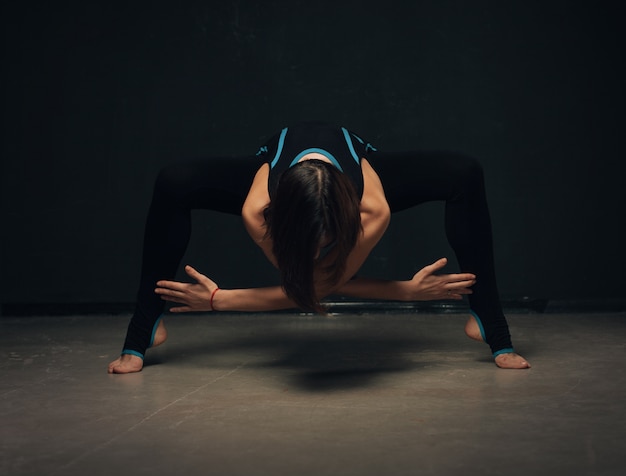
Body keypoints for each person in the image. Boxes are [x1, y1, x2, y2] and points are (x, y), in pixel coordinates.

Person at [108, 122, 530, 374]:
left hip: (354, 175)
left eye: (326, 244)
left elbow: (322, 285)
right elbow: (309, 288)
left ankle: (490, 324)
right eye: (304, 245)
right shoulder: (258, 210)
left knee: (464, 172)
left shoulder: (373, 210)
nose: (315, 257)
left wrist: (217, 300)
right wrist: (406, 291)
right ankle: (144, 328)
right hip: (281, 172)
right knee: (173, 181)